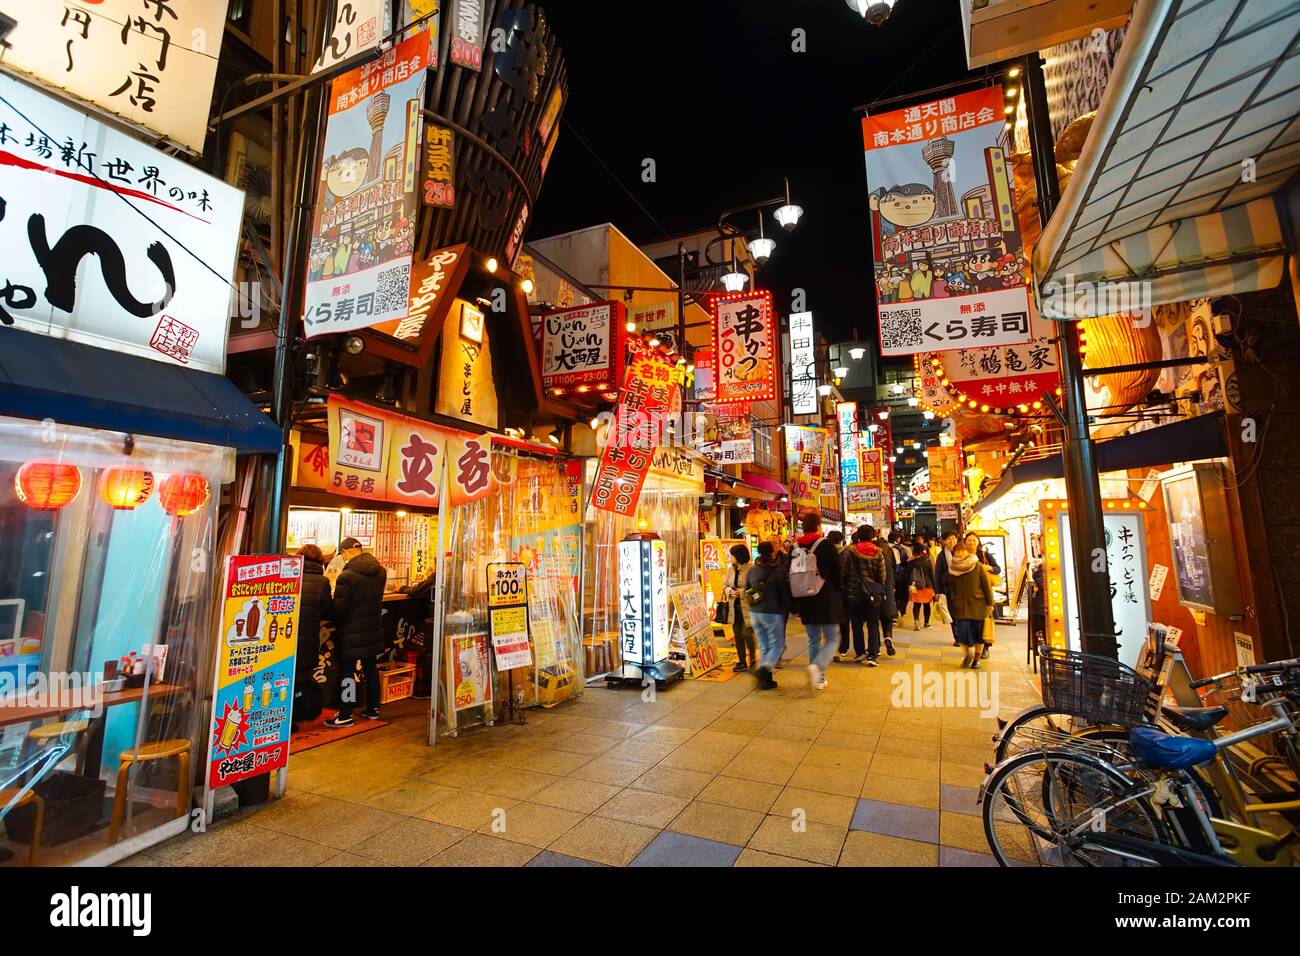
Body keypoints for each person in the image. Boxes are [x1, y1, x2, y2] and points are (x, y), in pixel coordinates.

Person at [323, 537, 388, 728]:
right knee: (370, 668)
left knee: (347, 672)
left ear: (344, 553)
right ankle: (373, 709)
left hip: (351, 632)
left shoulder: (347, 576)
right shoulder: (380, 571)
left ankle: (345, 714)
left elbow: (340, 609)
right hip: (372, 629)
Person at [790, 513, 845, 691]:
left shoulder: (795, 546)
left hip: (805, 598)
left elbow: (791, 575)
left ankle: (818, 679)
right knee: (832, 639)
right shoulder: (826, 544)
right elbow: (837, 572)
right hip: (827, 597)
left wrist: (795, 602)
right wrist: (839, 590)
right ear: (819, 526)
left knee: (813, 640)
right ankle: (818, 668)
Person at [293, 545, 334, 728]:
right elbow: (328, 610)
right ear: (320, 560)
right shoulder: (322, 581)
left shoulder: (290, 576)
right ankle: (300, 713)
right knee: (301, 678)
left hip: (286, 635)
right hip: (309, 638)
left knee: (285, 677)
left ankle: (285, 718)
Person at [839, 526, 887, 665]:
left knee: (856, 624)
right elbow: (882, 576)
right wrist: (878, 589)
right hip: (872, 594)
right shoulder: (878, 552)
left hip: (854, 594)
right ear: (873, 536)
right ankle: (872, 655)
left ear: (858, 536)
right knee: (873, 624)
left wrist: (844, 586)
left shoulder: (850, 551)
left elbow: (845, 572)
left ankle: (860, 653)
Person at [746, 541, 790, 689]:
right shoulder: (776, 570)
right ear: (772, 552)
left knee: (764, 645)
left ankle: (766, 681)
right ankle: (764, 669)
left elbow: (746, 589)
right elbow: (784, 592)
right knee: (778, 645)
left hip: (755, 612)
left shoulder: (752, 570)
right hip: (772, 612)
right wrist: (790, 607)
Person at [947, 541, 995, 669]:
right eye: (958, 551)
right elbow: (952, 587)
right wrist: (954, 598)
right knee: (963, 634)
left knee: (979, 636)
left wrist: (990, 602)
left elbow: (986, 585)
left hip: (978, 605)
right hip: (961, 606)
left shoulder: (977, 565)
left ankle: (976, 660)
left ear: (967, 552)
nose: (960, 553)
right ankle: (968, 654)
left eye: (963, 550)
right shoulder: (952, 569)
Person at [723, 544, 756, 672]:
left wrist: (741, 592)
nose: (730, 557)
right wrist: (728, 590)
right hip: (734, 607)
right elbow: (725, 585)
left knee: (746, 633)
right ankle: (742, 661)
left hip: (747, 608)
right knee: (738, 635)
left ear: (739, 556)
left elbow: (755, 589)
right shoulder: (730, 569)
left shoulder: (751, 569)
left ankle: (752, 658)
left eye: (732, 555)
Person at [872, 526, 899, 657]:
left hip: (872, 587)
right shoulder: (890, 551)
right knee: (887, 615)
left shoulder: (870, 550)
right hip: (887, 586)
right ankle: (888, 637)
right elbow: (895, 568)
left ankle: (875, 646)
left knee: (874, 617)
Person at [934, 531, 959, 647]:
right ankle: (958, 637)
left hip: (963, 589)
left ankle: (965, 635)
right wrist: (937, 591)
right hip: (949, 589)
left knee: (963, 613)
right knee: (953, 613)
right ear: (944, 541)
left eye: (953, 538)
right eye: (949, 539)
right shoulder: (941, 556)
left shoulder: (961, 552)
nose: (952, 541)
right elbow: (937, 573)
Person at [908, 537, 936, 629]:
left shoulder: (911, 561)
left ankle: (916, 621)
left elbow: (907, 573)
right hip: (927, 585)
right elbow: (932, 574)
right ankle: (926, 622)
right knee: (927, 605)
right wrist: (936, 588)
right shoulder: (927, 560)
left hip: (915, 585)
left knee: (916, 604)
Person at [889, 531, 912, 626]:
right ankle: (899, 611)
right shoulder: (902, 549)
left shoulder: (884, 548)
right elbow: (906, 563)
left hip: (889, 576)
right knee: (903, 596)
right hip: (901, 576)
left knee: (892, 596)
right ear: (898, 539)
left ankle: (892, 613)